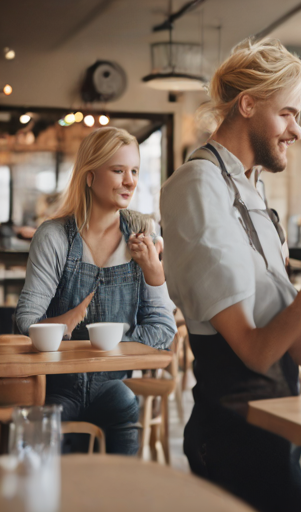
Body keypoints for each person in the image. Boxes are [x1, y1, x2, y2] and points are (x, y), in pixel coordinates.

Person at [160, 38, 301, 512]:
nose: (298, 131)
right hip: (234, 436)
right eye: (287, 114)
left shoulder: (252, 190)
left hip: (277, 426)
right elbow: (254, 350)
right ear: (247, 105)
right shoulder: (196, 186)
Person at [16, 127, 177, 455]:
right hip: (54, 388)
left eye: (134, 171)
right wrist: (68, 321)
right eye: (118, 171)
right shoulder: (55, 237)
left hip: (112, 387)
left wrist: (154, 272)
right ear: (89, 177)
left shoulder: (143, 234)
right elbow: (25, 322)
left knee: (125, 405)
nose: (130, 181)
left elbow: (163, 331)